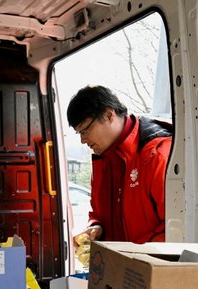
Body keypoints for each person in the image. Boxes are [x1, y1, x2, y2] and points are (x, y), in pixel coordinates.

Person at [67, 85, 173, 244]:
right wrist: (96, 227)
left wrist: (132, 257)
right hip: (117, 263)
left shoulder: (157, 155)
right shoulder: (103, 159)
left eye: (85, 130)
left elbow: (174, 228)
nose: (83, 140)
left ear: (109, 115)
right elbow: (97, 214)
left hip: (149, 264)